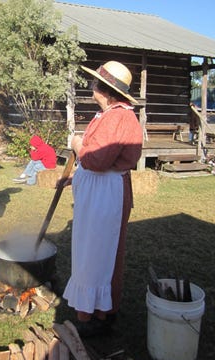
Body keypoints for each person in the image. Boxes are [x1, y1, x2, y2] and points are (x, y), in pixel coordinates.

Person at [62, 61, 143, 337]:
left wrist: (77, 145)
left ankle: (99, 315)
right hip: (98, 191)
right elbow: (99, 162)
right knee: (90, 252)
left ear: (105, 90)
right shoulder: (108, 115)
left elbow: (97, 159)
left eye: (96, 83)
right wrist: (75, 178)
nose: (92, 87)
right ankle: (94, 309)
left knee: (99, 255)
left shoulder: (118, 117)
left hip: (106, 197)